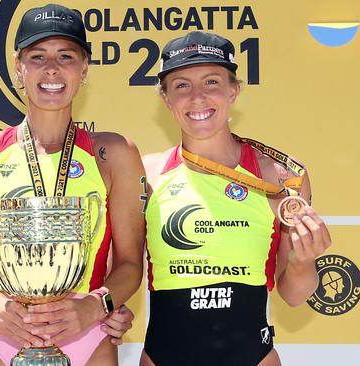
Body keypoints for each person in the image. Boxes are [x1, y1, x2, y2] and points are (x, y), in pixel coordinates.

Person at [0, 3, 145, 366]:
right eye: (37, 56)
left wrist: (98, 305)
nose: (51, 68)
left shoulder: (114, 153)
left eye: (66, 56)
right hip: (2, 332)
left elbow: (130, 264)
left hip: (86, 333)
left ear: (84, 68)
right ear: (18, 67)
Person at [141, 31, 332, 366]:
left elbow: (294, 295)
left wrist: (304, 261)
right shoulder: (146, 173)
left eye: (212, 82)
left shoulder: (281, 176)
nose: (198, 97)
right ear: (166, 99)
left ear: (234, 91)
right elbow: (119, 271)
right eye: (182, 85)